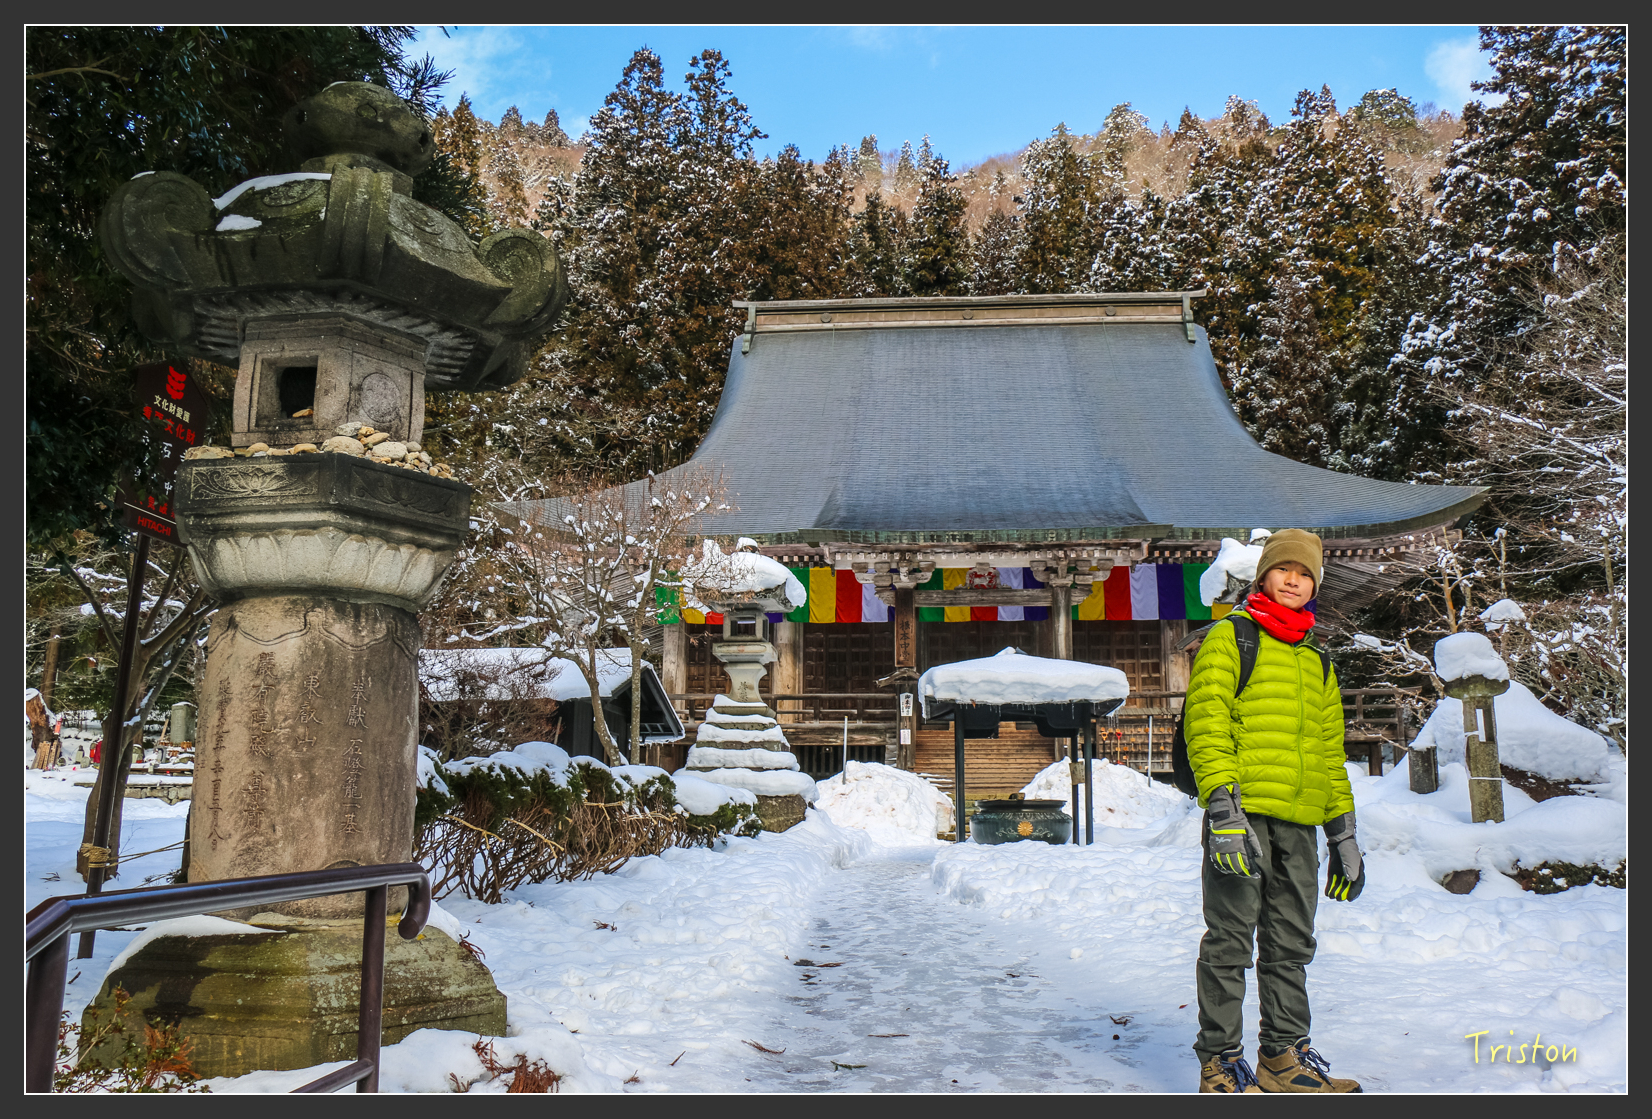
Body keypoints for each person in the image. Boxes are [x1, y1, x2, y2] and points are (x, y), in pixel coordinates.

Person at [1185, 529, 1365, 1093]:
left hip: (1300, 824)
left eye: (1305, 573)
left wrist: (1343, 835)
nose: (1294, 579)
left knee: (1291, 944)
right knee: (1230, 940)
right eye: (1284, 569)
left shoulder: (1319, 661)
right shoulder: (1231, 638)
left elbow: (1329, 752)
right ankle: (1219, 1060)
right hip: (1244, 816)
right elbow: (1206, 724)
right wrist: (1223, 812)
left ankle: (1283, 1058)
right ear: (1263, 575)